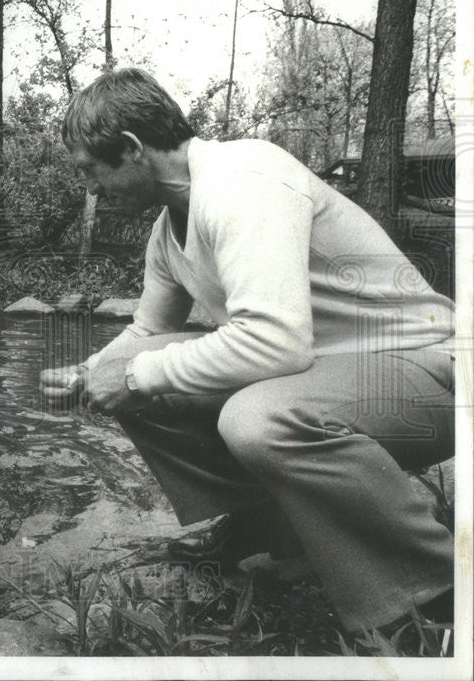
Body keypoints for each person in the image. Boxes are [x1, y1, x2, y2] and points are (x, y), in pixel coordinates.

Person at [40, 67, 455, 633]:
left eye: (91, 170)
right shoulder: (169, 227)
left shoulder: (244, 180)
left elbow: (275, 343)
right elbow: (145, 332)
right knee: (130, 376)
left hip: (431, 373)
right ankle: (274, 530)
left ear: (132, 149)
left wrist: (136, 376)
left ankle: (427, 593)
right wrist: (88, 374)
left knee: (256, 418)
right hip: (336, 372)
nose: (89, 188)